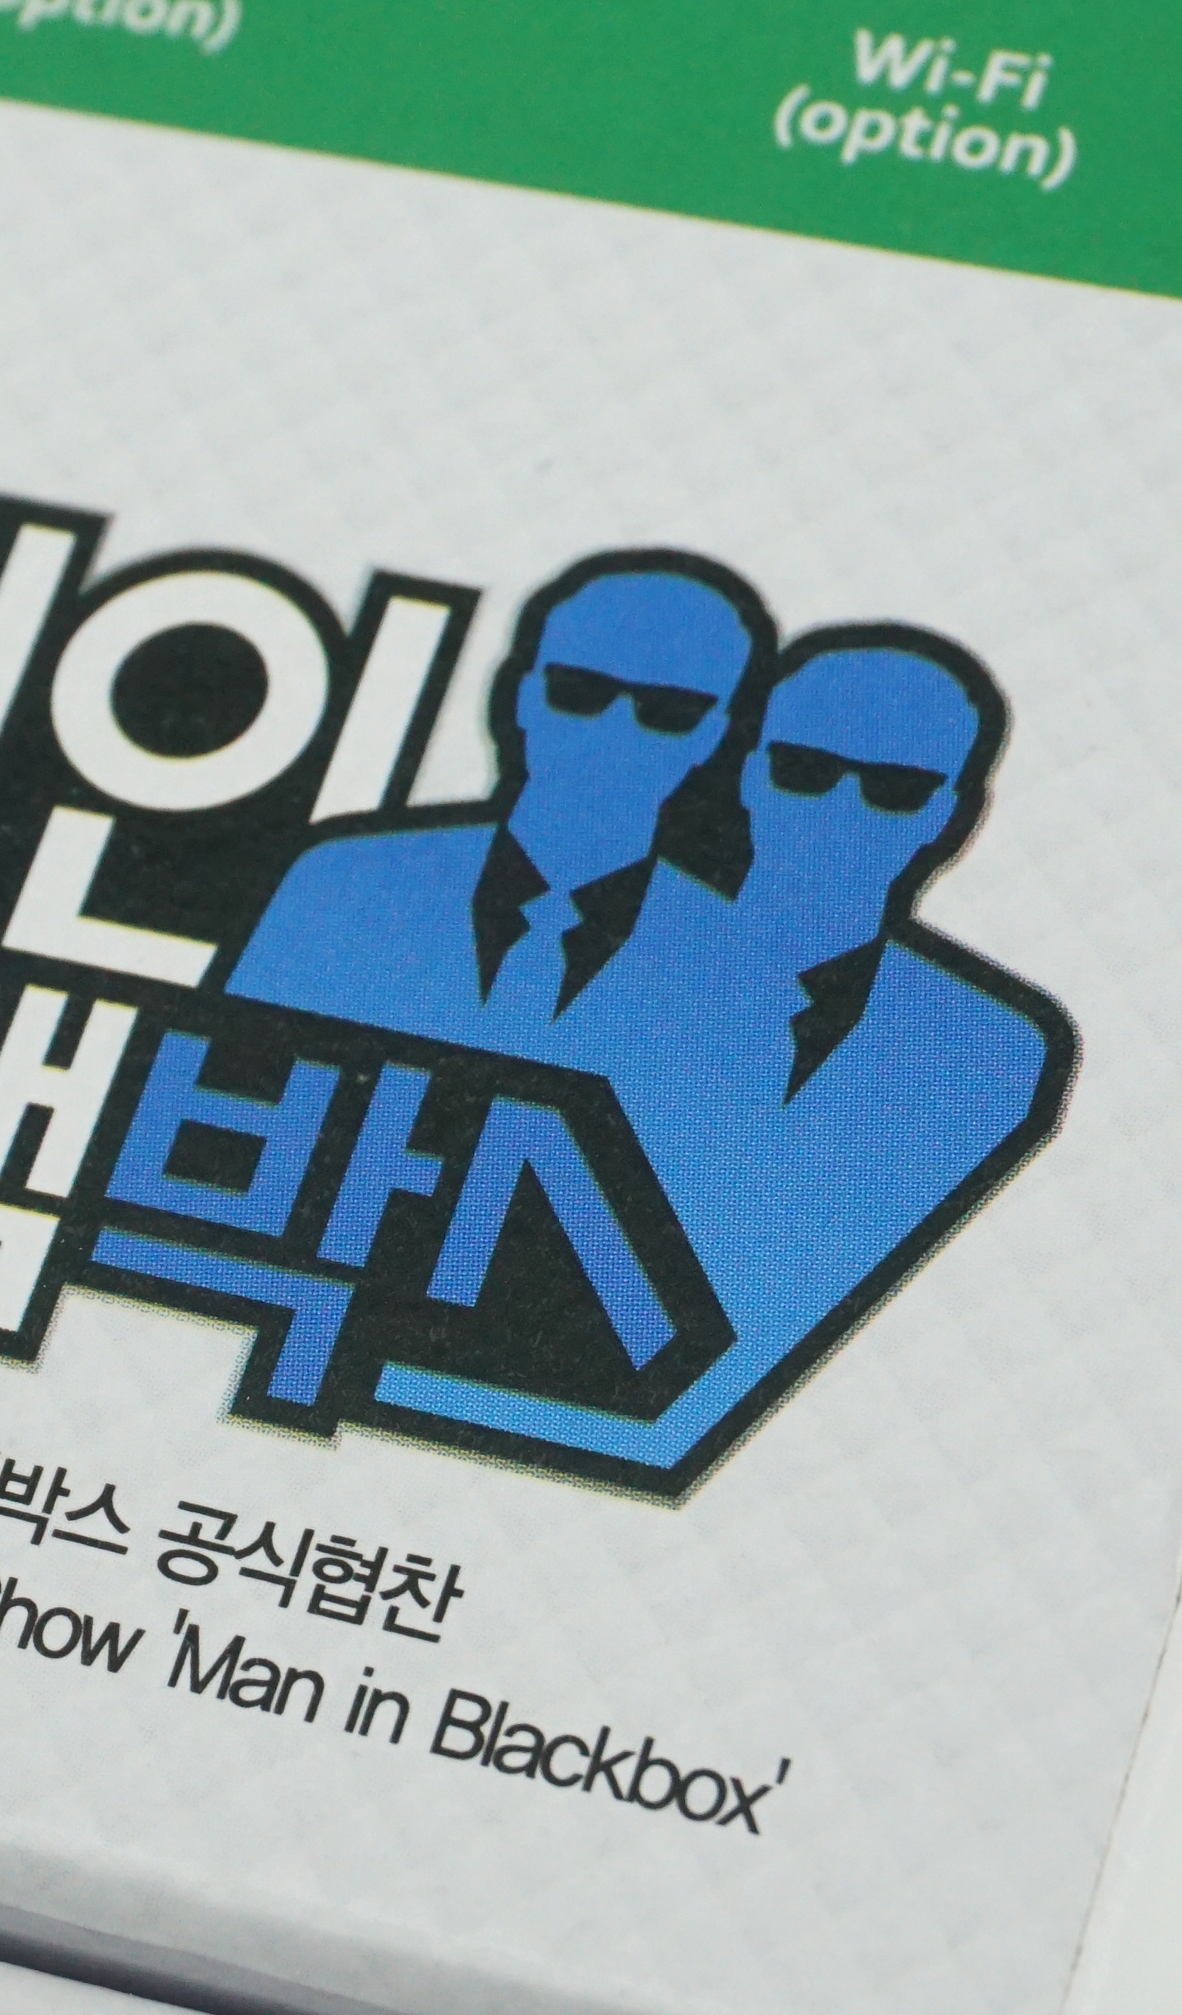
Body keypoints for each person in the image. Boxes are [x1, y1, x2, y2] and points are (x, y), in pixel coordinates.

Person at [363, 625, 1071, 1472]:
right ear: (747, 773)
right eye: (804, 772)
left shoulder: (994, 1051)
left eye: (892, 790)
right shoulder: (579, 961)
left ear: (949, 817)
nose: (839, 812)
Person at [226, 551, 770, 1053]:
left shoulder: (734, 967)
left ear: (713, 735)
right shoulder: (341, 883)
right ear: (522, 695)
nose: (614, 730)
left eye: (667, 711)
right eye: (579, 692)